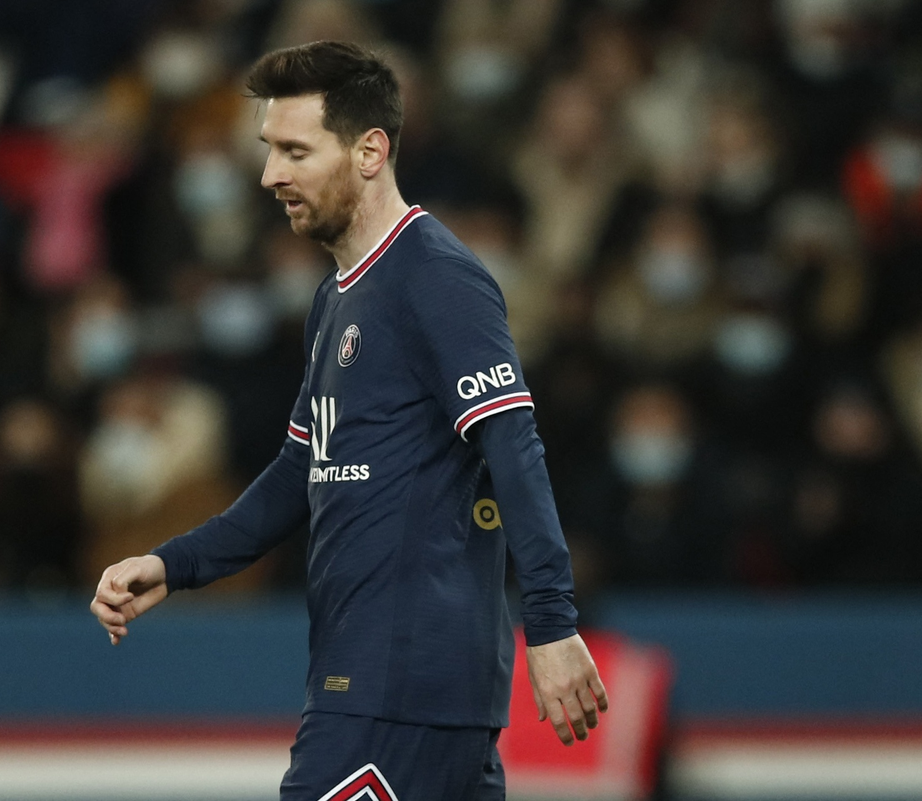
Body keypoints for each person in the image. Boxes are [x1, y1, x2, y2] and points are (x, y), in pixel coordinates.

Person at [91, 41, 607, 800]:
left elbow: (512, 445)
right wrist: (174, 563)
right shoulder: (335, 298)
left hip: (399, 687)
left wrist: (554, 625)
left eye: (295, 151)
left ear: (370, 152)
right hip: (378, 685)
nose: (270, 175)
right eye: (269, 150)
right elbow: (300, 472)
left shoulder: (436, 276)